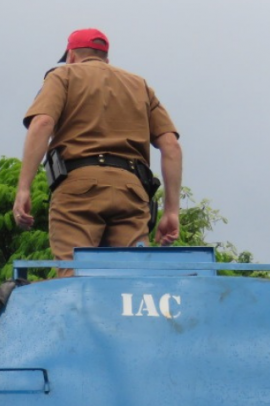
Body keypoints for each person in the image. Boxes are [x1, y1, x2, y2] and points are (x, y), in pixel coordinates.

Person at [13, 28, 182, 276]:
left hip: (79, 191)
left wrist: (23, 188)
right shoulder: (140, 86)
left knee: (75, 278)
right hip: (131, 192)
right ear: (106, 59)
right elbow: (171, 146)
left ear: (71, 55)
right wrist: (171, 211)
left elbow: (42, 123)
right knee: (133, 283)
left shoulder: (63, 75)